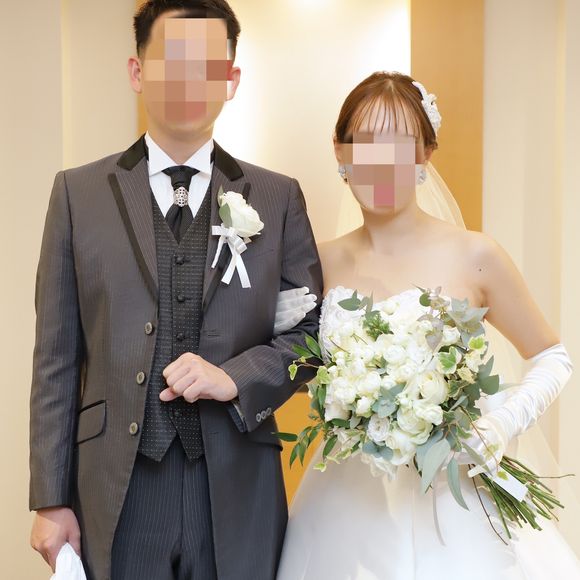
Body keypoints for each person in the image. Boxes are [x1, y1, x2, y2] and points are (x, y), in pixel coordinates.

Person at [28, 1, 322, 579]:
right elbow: (56, 358)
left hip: (238, 482)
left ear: (231, 79)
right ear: (138, 71)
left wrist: (235, 378)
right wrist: (49, 498)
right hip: (118, 486)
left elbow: (310, 338)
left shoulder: (278, 197)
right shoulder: (77, 194)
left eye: (208, 66)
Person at [276, 71, 580, 579]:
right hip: (346, 505)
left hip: (453, 499)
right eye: (365, 144)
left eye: (400, 145)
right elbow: (299, 372)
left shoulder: (476, 256)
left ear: (425, 155)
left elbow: (554, 358)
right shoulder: (316, 263)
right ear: (340, 152)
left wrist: (499, 425)